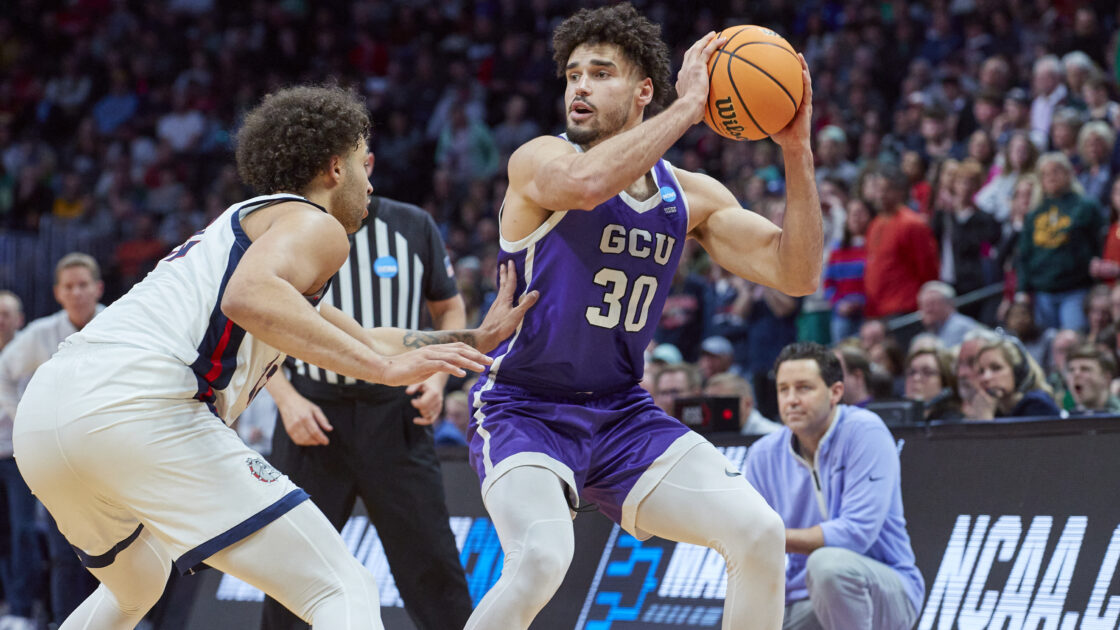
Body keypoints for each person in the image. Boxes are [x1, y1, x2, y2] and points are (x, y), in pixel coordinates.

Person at [12, 86, 534, 630]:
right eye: (363, 163)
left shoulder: (240, 226)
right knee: (340, 585)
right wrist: (384, 373)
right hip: (139, 409)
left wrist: (474, 338)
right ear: (335, 168)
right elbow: (250, 296)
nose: (371, 181)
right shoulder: (316, 225)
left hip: (48, 418)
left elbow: (365, 336)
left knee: (137, 582)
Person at [465, 4, 822, 628]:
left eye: (601, 73)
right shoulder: (540, 159)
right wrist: (689, 108)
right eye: (573, 73)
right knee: (541, 560)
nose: (580, 85)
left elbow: (798, 274)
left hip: (622, 413)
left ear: (641, 91)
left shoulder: (692, 195)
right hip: (523, 406)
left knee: (759, 532)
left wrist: (796, 148)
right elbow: (584, 186)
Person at [258, 193, 474, 630]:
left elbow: (448, 306)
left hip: (395, 412)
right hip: (313, 412)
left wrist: (436, 379)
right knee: (293, 568)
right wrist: (286, 399)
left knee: (433, 564)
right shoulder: (291, 226)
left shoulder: (413, 224)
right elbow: (256, 316)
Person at [745, 342, 924, 630]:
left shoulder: (865, 431)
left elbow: (857, 533)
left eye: (804, 388)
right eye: (783, 389)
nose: (791, 400)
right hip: (800, 600)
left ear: (835, 392)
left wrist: (772, 536)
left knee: (827, 566)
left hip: (885, 588)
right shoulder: (762, 454)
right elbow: (748, 540)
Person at [0, 254, 107, 628]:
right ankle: (66, 621)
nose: (77, 292)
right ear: (58, 293)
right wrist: (22, 422)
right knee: (66, 549)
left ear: (98, 288)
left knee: (118, 546)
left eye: (83, 285)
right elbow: (3, 373)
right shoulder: (41, 334)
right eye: (69, 286)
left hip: (109, 455)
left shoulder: (121, 324)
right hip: (58, 458)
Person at [973, 336, 1062, 418]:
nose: (985, 377)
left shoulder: (1037, 404)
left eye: (996, 368)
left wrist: (985, 420)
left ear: (1018, 372)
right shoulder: (994, 410)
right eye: (981, 371)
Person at [703, 372, 782, 436]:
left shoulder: (774, 435)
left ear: (747, 404)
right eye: (709, 405)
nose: (714, 411)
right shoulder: (704, 435)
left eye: (722, 404)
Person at [917, 281, 984, 348]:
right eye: (923, 305)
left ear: (948, 304)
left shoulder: (959, 326)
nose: (928, 310)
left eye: (932, 304)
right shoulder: (933, 330)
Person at [904, 348, 963, 421]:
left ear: (944, 381)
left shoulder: (952, 421)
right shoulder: (895, 418)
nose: (916, 378)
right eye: (911, 372)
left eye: (927, 372)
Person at [1065, 344, 1120, 414]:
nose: (1076, 375)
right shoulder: (1065, 418)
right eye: (1071, 370)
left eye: (1085, 369)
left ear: (1106, 378)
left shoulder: (1116, 417)